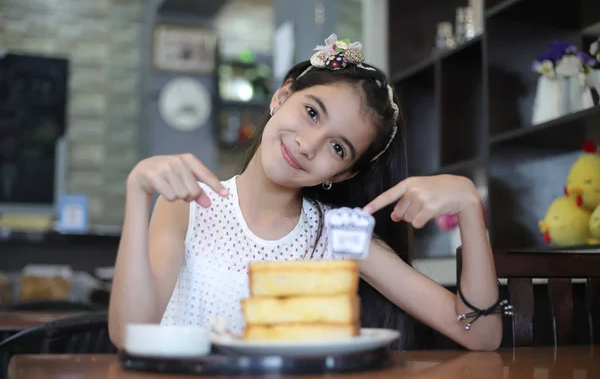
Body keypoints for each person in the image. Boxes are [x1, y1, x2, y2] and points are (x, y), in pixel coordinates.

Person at [108, 34, 505, 351]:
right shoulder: (189, 206)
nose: (308, 144)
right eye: (312, 112)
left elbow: (482, 336)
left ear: (345, 172)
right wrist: (137, 193)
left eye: (337, 148)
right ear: (281, 97)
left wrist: (470, 206)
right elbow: (130, 336)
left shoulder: (342, 235)